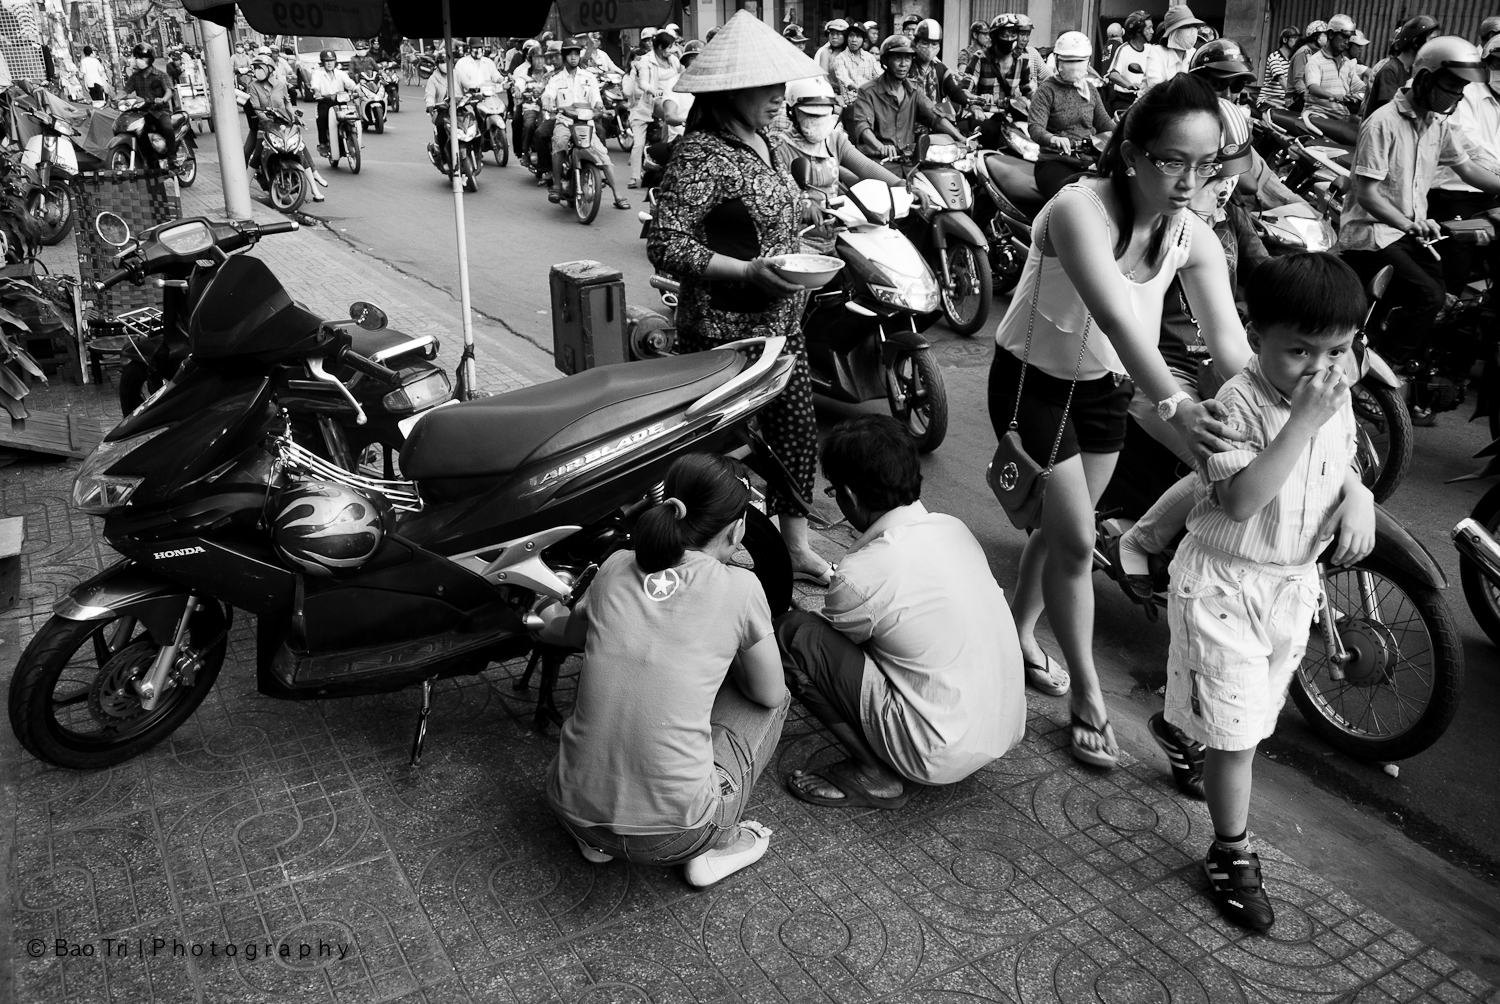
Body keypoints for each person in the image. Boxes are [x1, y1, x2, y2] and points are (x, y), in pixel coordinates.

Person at [986, 73, 1250, 765]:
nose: (1192, 180)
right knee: (1075, 539)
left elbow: (1230, 345)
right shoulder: (1080, 210)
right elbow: (1114, 317)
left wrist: (1301, 402)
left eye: (1207, 164)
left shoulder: (1191, 232)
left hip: (1103, 390)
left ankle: (1015, 633)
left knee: (1060, 527)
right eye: (1173, 161)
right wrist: (1178, 405)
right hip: (1033, 384)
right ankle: (1088, 696)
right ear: (1131, 153)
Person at [1163, 252, 1373, 932]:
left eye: (1337, 350)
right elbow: (1245, 499)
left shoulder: (1332, 396)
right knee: (1239, 739)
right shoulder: (1235, 406)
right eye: (1299, 351)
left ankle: (1180, 724)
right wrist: (1302, 423)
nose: (1320, 368)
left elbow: (1343, 459)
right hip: (1224, 588)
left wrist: (1360, 493)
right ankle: (1231, 852)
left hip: (1290, 589)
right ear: (1255, 338)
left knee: (1240, 713)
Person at [541, 453, 789, 888]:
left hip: (572, 810)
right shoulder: (741, 587)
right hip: (676, 836)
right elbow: (768, 694)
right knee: (775, 696)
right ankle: (717, 847)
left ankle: (598, 844)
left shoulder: (616, 565)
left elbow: (573, 633)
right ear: (737, 528)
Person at [648, 11, 835, 583]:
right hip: (722, 333)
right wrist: (749, 271)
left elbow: (770, 205)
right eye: (766, 89)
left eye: (782, 87)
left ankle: (796, 546)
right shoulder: (698, 155)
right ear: (730, 91)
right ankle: (702, 551)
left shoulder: (770, 140)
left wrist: (806, 214)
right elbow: (666, 244)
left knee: (798, 436)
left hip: (784, 324)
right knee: (717, 451)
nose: (780, 98)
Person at [776, 416, 1027, 808]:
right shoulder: (954, 528)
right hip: (1003, 730)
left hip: (935, 752)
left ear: (848, 496)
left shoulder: (862, 574)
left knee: (795, 636)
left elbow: (830, 646)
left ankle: (873, 774)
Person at [1338, 36, 1500, 369]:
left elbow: (1467, 168)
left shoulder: (1436, 125)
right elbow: (1367, 194)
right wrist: (1410, 224)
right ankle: (1378, 368)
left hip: (1408, 234)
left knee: (1445, 297)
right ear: (1426, 78)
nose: (1456, 96)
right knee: (1428, 296)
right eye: (1452, 86)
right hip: (1371, 236)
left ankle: (1384, 353)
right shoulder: (1382, 123)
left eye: (1461, 90)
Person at [1428, 35, 1500, 317]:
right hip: (1455, 194)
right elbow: (1471, 153)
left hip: (1491, 194)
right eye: (1497, 62)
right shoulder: (1463, 93)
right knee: (1453, 275)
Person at [776, 74, 900, 203]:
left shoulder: (835, 139)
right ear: (792, 112)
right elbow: (779, 195)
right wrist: (803, 206)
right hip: (805, 221)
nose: (818, 121)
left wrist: (899, 184)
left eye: (824, 114)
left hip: (837, 217)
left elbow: (865, 166)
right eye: (810, 115)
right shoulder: (781, 147)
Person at [848, 35, 969, 162]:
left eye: (907, 58)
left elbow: (935, 117)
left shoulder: (914, 90)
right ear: (885, 61)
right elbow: (863, 127)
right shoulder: (867, 91)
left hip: (907, 161)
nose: (903, 64)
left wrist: (961, 138)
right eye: (897, 58)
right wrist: (881, 147)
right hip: (878, 161)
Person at [543, 37, 630, 210]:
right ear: (564, 56)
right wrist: (547, 102)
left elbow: (596, 100)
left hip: (586, 123)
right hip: (565, 122)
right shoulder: (556, 79)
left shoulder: (589, 77)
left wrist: (600, 107)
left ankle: (617, 194)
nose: (573, 58)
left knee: (603, 156)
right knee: (559, 142)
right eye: (570, 54)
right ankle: (558, 185)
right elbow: (548, 94)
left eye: (576, 54)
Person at [1030, 32, 1114, 200]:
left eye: (1080, 61)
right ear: (1057, 59)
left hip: (1088, 161)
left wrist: (1127, 134)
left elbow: (1104, 122)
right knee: (1070, 200)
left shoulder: (1090, 89)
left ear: (1088, 62)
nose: (1074, 65)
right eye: (1068, 61)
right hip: (1054, 162)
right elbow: (1035, 127)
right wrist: (1053, 139)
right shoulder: (1046, 91)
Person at [243, 54, 325, 202]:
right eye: (255, 68)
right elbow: (256, 108)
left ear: (269, 69)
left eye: (260, 68)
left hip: (283, 123)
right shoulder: (253, 86)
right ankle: (243, 191)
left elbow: (287, 103)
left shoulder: (281, 84)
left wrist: (294, 118)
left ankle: (314, 187)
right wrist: (266, 120)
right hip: (265, 126)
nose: (257, 71)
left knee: (300, 148)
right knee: (256, 155)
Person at [627, 28, 680, 187]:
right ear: (660, 48)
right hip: (652, 102)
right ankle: (635, 177)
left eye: (673, 47)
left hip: (673, 99)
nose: (672, 50)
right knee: (638, 143)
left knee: (672, 126)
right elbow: (643, 82)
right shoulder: (645, 60)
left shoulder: (674, 60)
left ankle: (662, 161)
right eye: (669, 47)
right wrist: (653, 90)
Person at [1301, 14, 1364, 145]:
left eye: (1349, 38)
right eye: (1344, 37)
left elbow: (1360, 87)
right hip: (1320, 115)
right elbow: (1313, 87)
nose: (1347, 42)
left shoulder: (1347, 63)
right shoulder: (1315, 61)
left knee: (1365, 131)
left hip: (1341, 118)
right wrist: (1335, 97)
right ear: (1330, 35)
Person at [1363, 16, 1441, 117]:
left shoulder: (1412, 70)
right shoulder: (1390, 70)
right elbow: (1393, 111)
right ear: (1416, 42)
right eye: (1432, 40)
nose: (1434, 45)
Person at [123, 44, 177, 168]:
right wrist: (115, 98)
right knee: (138, 132)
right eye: (137, 57)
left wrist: (163, 99)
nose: (139, 60)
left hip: (160, 111)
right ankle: (150, 159)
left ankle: (172, 158)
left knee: (167, 128)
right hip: (143, 113)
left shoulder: (161, 75)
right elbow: (125, 91)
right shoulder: (135, 77)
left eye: (143, 57)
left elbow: (169, 90)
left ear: (150, 58)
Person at [909, 19, 969, 113]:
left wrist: (971, 104)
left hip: (934, 122)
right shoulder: (907, 66)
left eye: (934, 44)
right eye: (925, 43)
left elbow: (955, 92)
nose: (929, 48)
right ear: (916, 43)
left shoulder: (941, 69)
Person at [309, 49, 356, 160]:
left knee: (352, 118)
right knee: (322, 119)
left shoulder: (341, 73)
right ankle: (323, 144)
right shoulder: (317, 73)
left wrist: (357, 90)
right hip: (325, 102)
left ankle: (353, 139)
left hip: (341, 101)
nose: (330, 63)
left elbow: (350, 84)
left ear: (335, 61)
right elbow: (314, 85)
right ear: (322, 62)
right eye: (327, 61)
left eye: (332, 60)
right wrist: (316, 92)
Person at [1144, 4, 1204, 89]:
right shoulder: (1156, 53)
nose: (1192, 31)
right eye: (1187, 26)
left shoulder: (1194, 54)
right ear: (1173, 32)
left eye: (1194, 26)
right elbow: (1155, 87)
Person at [1107, 11, 1154, 112]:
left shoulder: (1151, 49)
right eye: (1149, 28)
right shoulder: (1124, 50)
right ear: (1138, 32)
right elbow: (1113, 74)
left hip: (1145, 98)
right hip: (1125, 99)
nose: (1152, 31)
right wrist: (1129, 85)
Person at [829, 21, 880, 97]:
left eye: (858, 36)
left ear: (863, 40)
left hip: (870, 100)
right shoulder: (840, 58)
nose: (854, 40)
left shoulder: (869, 57)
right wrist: (866, 91)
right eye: (851, 36)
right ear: (847, 38)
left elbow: (879, 76)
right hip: (852, 103)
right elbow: (846, 80)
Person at [1258, 27, 1300, 111]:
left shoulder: (1294, 59)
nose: (1297, 41)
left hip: (1284, 102)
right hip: (1268, 101)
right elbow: (1281, 78)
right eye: (1294, 38)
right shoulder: (1274, 57)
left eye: (1297, 38)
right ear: (1285, 40)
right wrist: (1293, 95)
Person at [1288, 21, 1328, 108]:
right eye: (1325, 35)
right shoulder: (1303, 52)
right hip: (1295, 99)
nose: (1327, 38)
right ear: (1316, 37)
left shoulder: (1317, 53)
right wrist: (1308, 97)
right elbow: (1298, 80)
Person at [1015, 14, 1051, 83]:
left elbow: (1049, 77)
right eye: (1022, 35)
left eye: (1028, 34)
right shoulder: (1006, 56)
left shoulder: (1032, 53)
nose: (1025, 39)